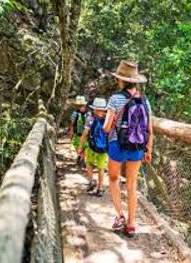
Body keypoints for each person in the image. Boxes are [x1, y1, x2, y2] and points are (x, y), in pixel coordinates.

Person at [103, 60, 153, 237]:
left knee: (114, 179)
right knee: (132, 185)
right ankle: (131, 224)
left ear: (121, 80)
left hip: (118, 144)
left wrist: (107, 125)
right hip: (138, 146)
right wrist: (149, 150)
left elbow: (108, 127)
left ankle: (120, 216)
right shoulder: (144, 101)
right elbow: (149, 129)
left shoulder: (115, 98)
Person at [77, 98, 108, 197]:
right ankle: (100, 188)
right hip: (103, 148)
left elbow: (85, 134)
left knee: (89, 163)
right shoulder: (107, 119)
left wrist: (80, 147)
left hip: (91, 146)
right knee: (101, 168)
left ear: (94, 109)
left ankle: (91, 180)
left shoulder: (90, 119)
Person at [69, 96, 89, 165]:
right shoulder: (75, 113)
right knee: (77, 145)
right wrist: (71, 132)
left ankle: (82, 158)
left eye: (81, 105)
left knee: (85, 146)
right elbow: (72, 123)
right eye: (78, 106)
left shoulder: (88, 114)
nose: (79, 107)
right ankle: (81, 156)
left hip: (86, 134)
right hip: (77, 133)